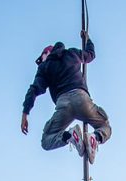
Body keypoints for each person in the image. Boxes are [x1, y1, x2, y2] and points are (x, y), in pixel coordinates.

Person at [21, 31, 111, 164]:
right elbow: (90, 55)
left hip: (63, 105)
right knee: (105, 126)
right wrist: (87, 39)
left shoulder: (45, 67)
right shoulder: (71, 53)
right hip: (82, 99)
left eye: (42, 57)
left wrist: (25, 113)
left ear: (47, 53)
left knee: (46, 140)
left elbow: (34, 89)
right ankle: (95, 138)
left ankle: (69, 136)